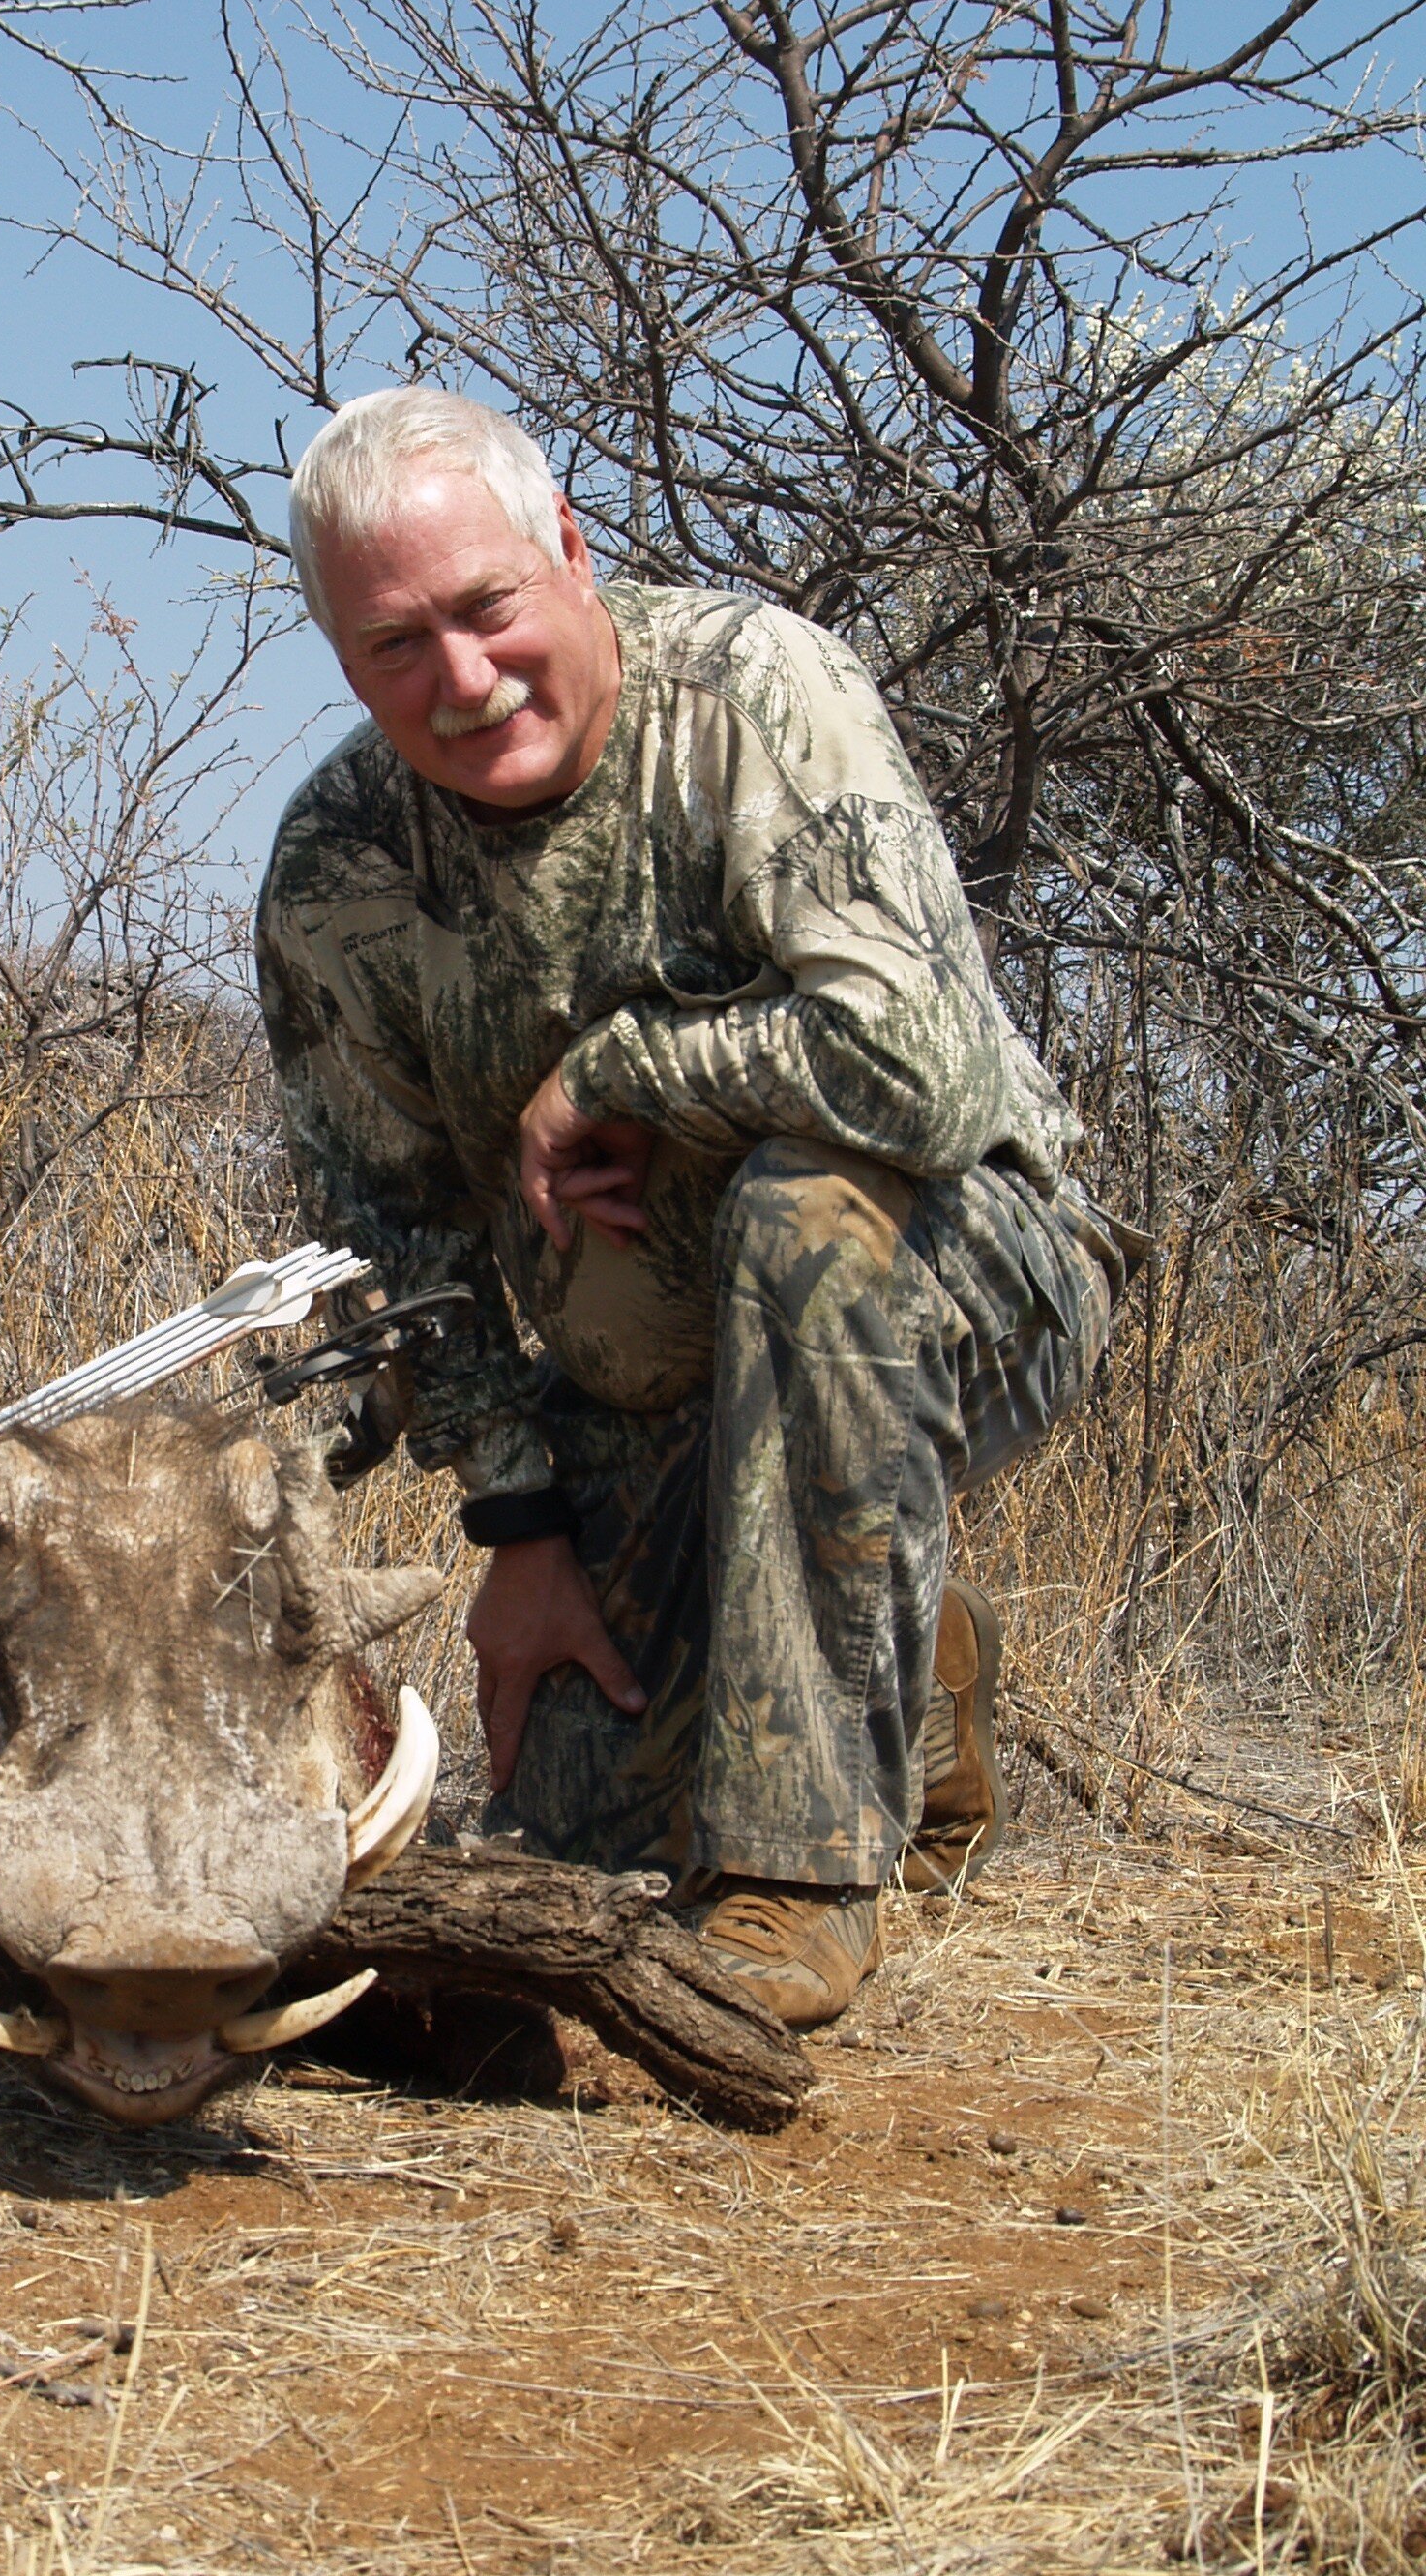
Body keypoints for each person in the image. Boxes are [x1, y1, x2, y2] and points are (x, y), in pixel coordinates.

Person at [255, 390, 1132, 2027]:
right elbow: (396, 1239)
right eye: (390, 646)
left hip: (971, 1277)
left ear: (569, 551)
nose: (459, 681)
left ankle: (802, 1876)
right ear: (338, 653)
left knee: (811, 1216)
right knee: (560, 1868)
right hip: (650, 1389)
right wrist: (519, 1529)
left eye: (486, 608)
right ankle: (906, 1654)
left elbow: (924, 1071)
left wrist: (626, 1071)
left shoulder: (757, 689)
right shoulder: (335, 869)